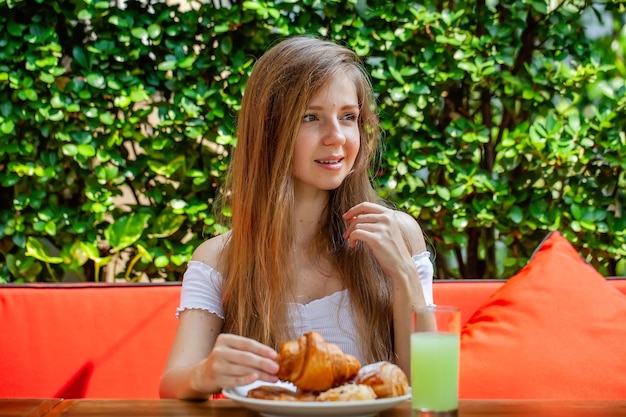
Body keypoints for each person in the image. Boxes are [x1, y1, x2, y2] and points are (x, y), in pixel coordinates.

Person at [159, 35, 434, 400]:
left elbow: (430, 388)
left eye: (348, 117)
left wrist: (403, 276)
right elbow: (172, 385)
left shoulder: (396, 235)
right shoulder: (219, 259)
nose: (336, 137)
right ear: (270, 132)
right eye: (311, 117)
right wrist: (206, 373)